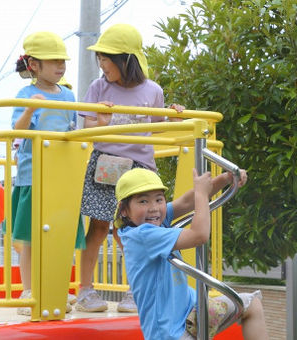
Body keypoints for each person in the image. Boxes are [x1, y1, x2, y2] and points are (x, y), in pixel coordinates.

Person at [76, 23, 183, 313]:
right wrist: (99, 120)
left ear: (125, 59)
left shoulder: (153, 90)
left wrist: (173, 120)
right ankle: (85, 290)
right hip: (106, 164)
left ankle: (137, 291)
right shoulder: (99, 87)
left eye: (106, 58)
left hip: (139, 169)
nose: (101, 64)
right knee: (98, 227)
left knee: (131, 232)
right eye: (99, 58)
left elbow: (156, 130)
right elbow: (87, 127)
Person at [114, 168, 269, 340]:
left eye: (159, 199)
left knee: (250, 305)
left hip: (192, 312)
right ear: (124, 210)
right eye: (143, 201)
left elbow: (188, 201)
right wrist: (202, 195)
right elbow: (199, 235)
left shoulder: (157, 221)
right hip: (171, 333)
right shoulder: (140, 236)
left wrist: (226, 179)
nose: (154, 208)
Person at [11, 31, 80, 316]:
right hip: (33, 177)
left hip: (62, 177)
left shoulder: (69, 95)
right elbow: (18, 131)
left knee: (61, 236)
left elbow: (73, 130)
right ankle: (29, 291)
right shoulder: (26, 94)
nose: (60, 66)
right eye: (53, 61)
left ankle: (58, 289)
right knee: (29, 238)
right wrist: (30, 110)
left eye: (62, 60)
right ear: (34, 65)